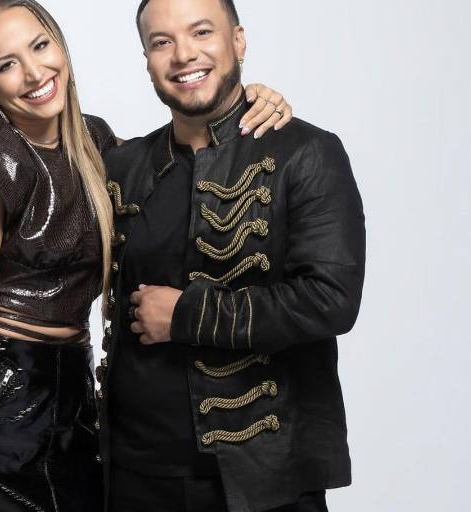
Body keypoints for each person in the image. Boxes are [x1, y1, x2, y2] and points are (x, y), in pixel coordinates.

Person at [0, 0, 292, 511]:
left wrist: (250, 99)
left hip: (73, 404)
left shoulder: (94, 141)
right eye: (7, 64)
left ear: (60, 47)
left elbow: (173, 167)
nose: (35, 73)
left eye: (40, 46)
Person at [102, 0, 365, 510]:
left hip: (261, 481)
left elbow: (330, 299)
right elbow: (53, 251)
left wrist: (187, 314)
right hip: (134, 477)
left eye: (201, 32)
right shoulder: (122, 165)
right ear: (147, 61)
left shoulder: (305, 153)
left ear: (238, 41)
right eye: (161, 42)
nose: (183, 54)